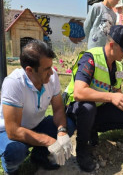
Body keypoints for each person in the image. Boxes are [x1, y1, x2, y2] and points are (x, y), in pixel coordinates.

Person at [64, 25, 123, 172]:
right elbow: (79, 93)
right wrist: (111, 97)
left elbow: (117, 94)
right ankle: (82, 149)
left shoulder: (118, 67)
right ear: (112, 45)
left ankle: (91, 129)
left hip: (95, 109)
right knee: (88, 107)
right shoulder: (91, 58)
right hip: (75, 108)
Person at [0, 40, 75, 175]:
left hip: (36, 124)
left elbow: (58, 108)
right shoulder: (14, 84)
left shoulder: (52, 78)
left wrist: (62, 131)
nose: (52, 73)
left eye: (51, 67)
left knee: (68, 124)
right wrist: (49, 141)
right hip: (9, 131)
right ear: (29, 70)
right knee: (14, 150)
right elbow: (13, 130)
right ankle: (11, 169)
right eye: (46, 69)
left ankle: (39, 157)